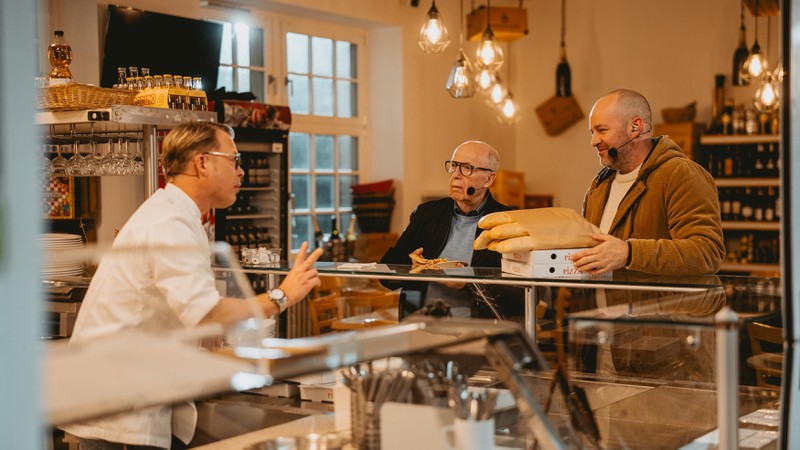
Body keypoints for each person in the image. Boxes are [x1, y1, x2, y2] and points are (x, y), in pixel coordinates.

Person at [62, 122, 323, 449]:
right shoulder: (170, 222)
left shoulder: (179, 216)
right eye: (234, 160)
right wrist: (281, 295)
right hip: (116, 403)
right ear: (202, 163)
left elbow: (195, 314)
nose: (241, 172)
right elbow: (207, 314)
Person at [570, 89, 725, 276]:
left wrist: (629, 253)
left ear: (636, 128)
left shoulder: (680, 174)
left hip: (656, 305)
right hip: (600, 307)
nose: (594, 141)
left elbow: (707, 253)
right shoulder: (599, 186)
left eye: (602, 130)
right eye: (592, 132)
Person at [381, 141, 519, 318]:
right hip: (421, 325)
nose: (455, 175)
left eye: (467, 168)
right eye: (453, 166)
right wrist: (411, 267)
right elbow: (385, 273)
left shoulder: (507, 222)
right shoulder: (427, 214)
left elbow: (520, 294)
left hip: (479, 332)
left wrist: (469, 285)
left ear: (489, 179)